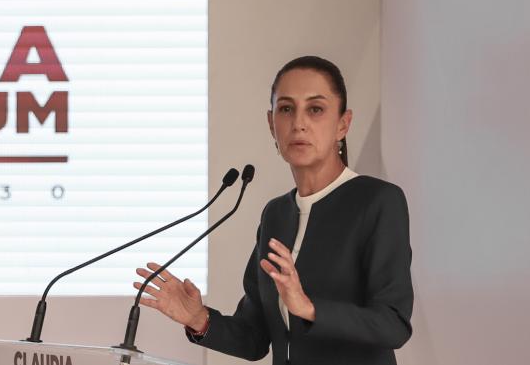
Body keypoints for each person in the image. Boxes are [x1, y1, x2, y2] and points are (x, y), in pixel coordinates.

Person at [133, 56, 414, 365]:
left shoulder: (376, 201)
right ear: (271, 123)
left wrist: (309, 308)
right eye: (286, 109)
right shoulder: (276, 214)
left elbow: (393, 325)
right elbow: (254, 338)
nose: (299, 123)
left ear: (342, 124)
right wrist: (199, 319)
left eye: (315, 109)